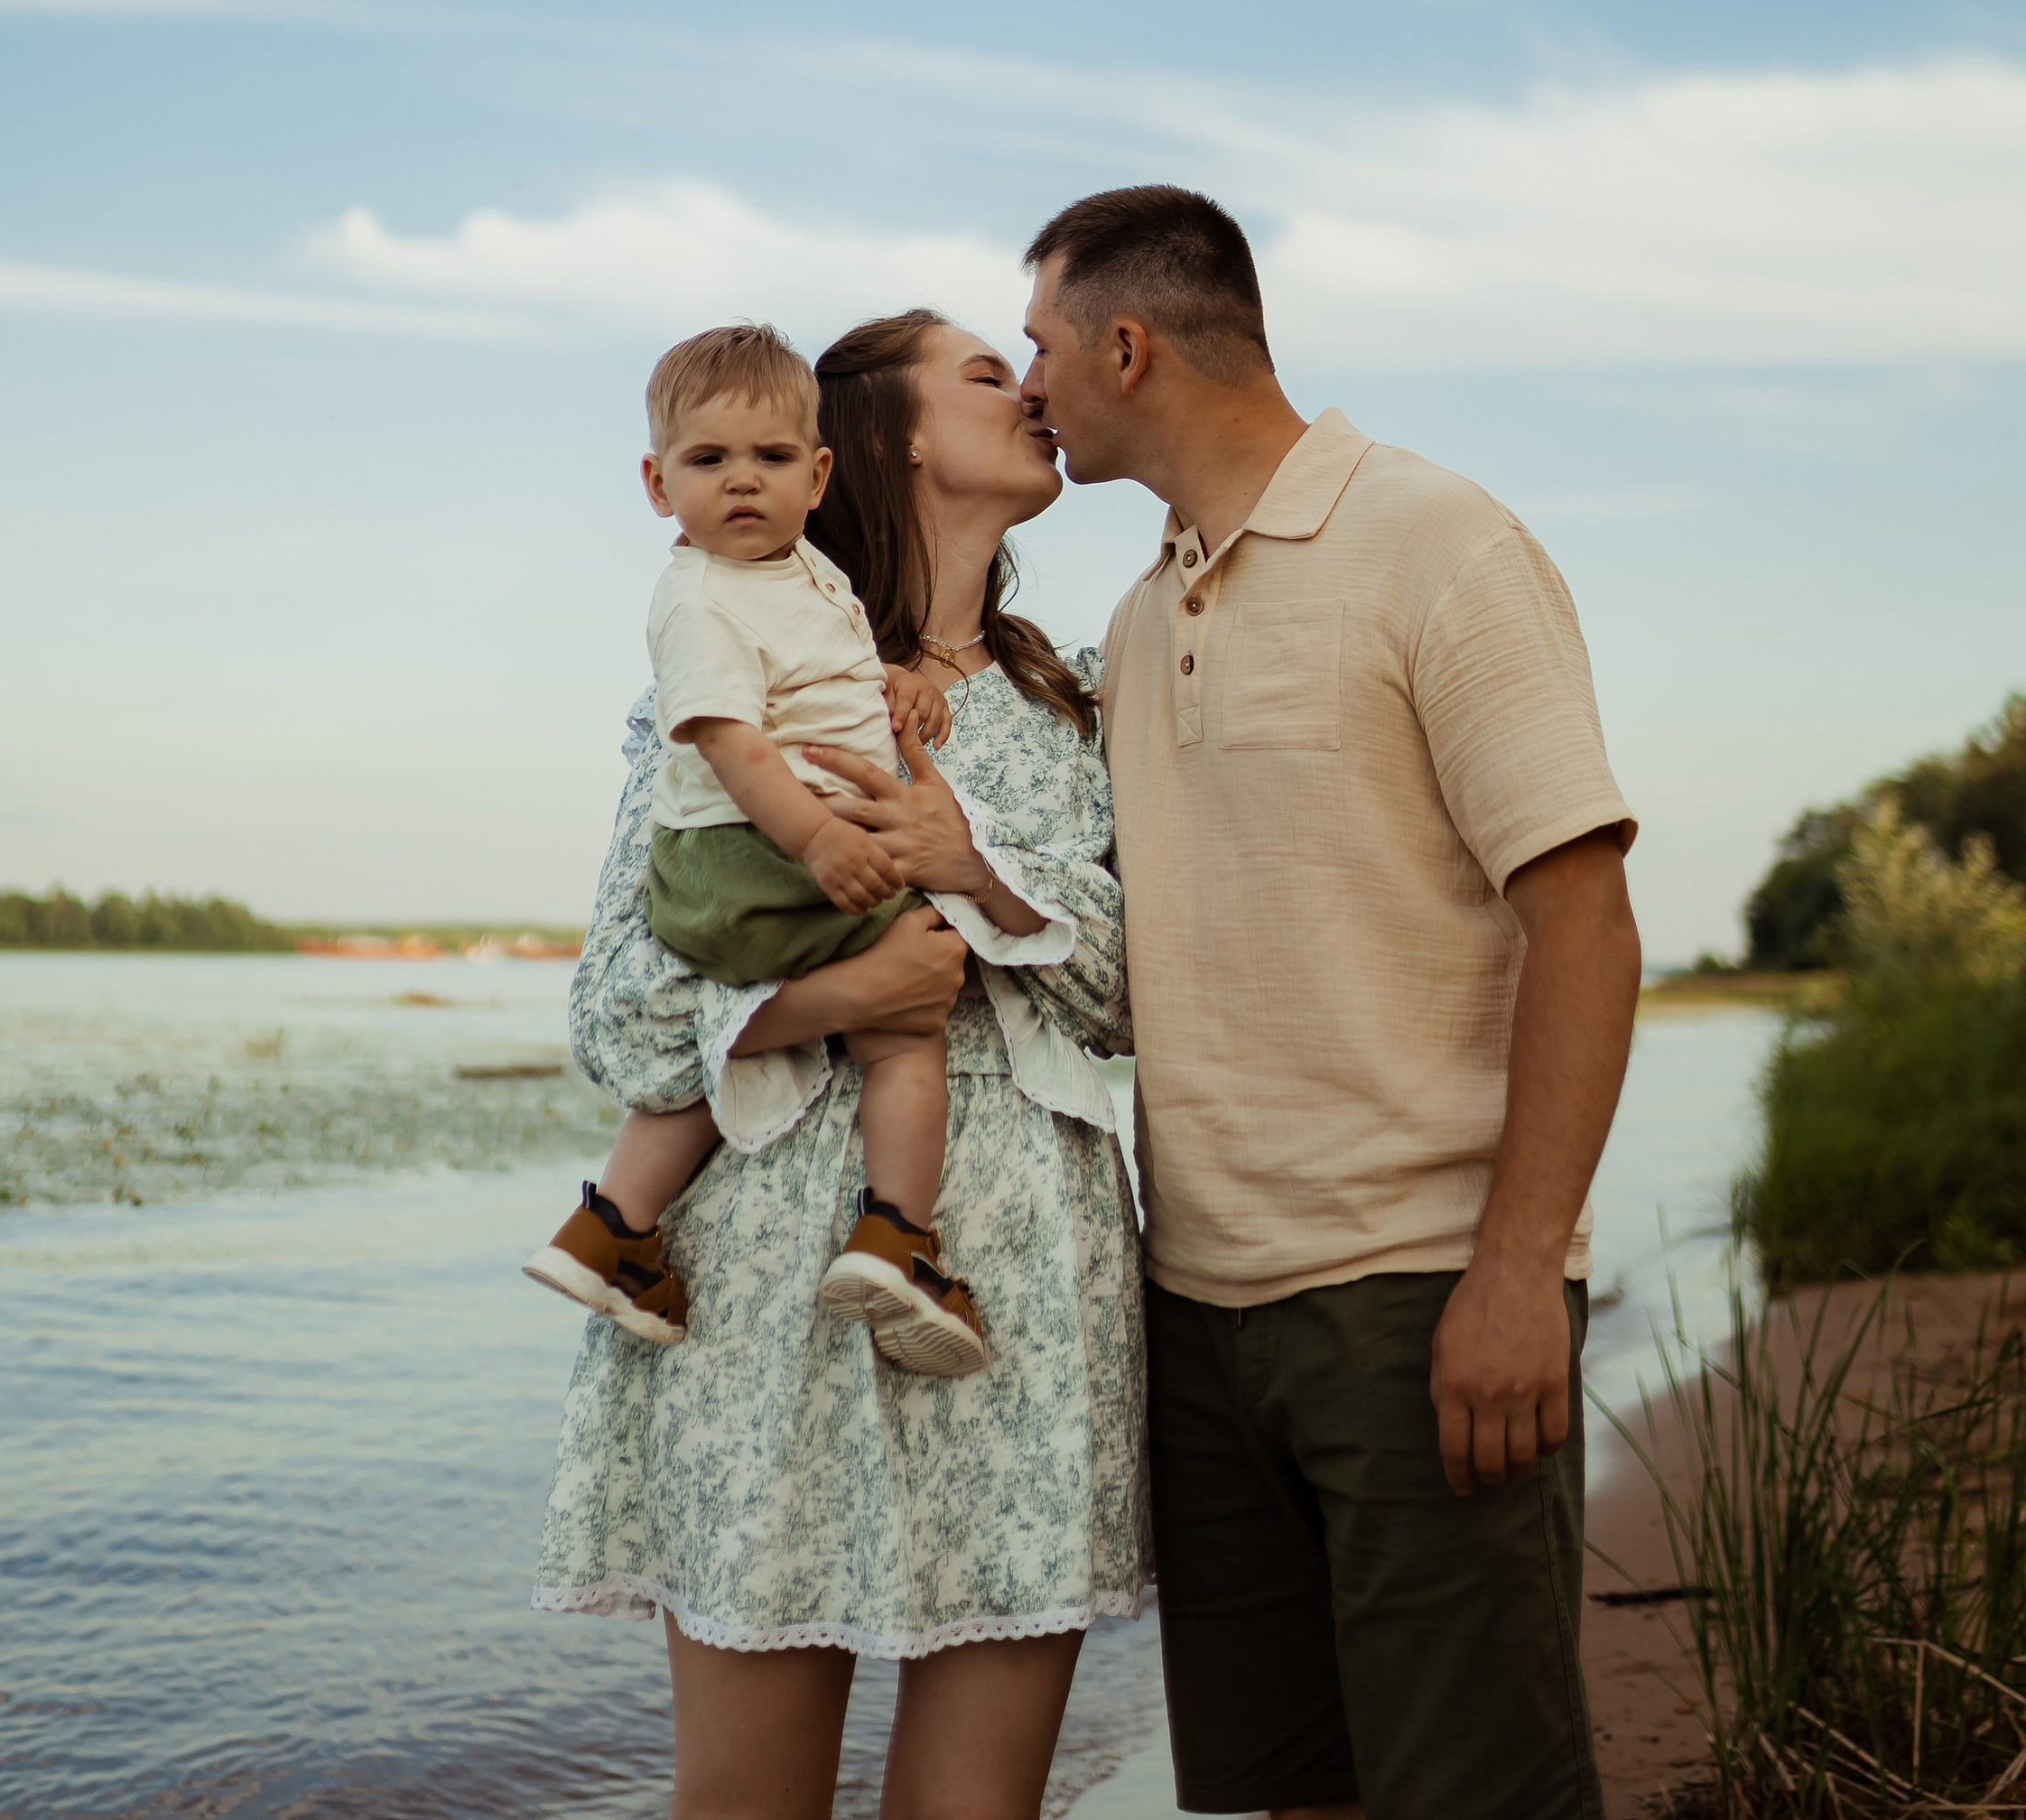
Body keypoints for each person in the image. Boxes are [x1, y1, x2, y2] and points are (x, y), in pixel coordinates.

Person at [1020, 185, 1641, 1820]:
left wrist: (1518, 1270)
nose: (1030, 386)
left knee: (1473, 1789)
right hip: (1200, 1311)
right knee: (1290, 1790)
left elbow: (1582, 917)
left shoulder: (1440, 541)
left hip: (1418, 1297)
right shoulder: (1140, 615)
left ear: (1128, 346)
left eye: (1041, 346)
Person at [534, 310, 1149, 1820]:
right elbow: (617, 1014)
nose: (1042, 394)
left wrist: (982, 871)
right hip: (767, 1294)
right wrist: (857, 988)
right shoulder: (733, 685)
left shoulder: (1085, 700)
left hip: (1022, 1302)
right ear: (892, 439)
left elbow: (1142, 996)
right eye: (992, 374)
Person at [525, 320, 988, 1374]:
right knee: (905, 1028)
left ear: (818, 474)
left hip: (753, 857)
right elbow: (733, 742)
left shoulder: (796, 572)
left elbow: (816, 680)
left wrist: (894, 685)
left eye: (771, 458)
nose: (743, 481)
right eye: (708, 460)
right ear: (656, 482)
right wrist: (822, 839)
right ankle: (897, 1236)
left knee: (726, 1042)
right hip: (752, 850)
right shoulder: (698, 595)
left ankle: (613, 1225)